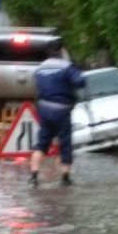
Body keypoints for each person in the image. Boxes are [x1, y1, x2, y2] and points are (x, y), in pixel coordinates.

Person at [29, 37, 85, 187]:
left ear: (48, 51)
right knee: (65, 143)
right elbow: (81, 82)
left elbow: (38, 88)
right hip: (61, 110)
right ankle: (65, 178)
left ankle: (33, 176)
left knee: (42, 143)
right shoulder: (67, 67)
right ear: (61, 50)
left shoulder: (40, 68)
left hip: (44, 109)